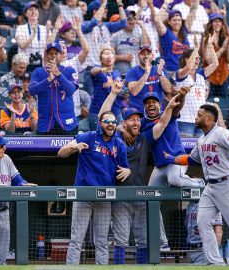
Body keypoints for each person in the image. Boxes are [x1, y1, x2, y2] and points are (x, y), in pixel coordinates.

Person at [163, 103, 229, 265]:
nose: (196, 117)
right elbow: (191, 159)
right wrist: (170, 159)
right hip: (211, 186)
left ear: (209, 118)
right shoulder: (201, 139)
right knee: (203, 221)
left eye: (199, 115)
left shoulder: (221, 132)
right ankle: (216, 263)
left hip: (228, 183)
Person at [98, 79, 182, 263]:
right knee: (120, 240)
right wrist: (113, 95)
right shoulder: (114, 138)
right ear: (124, 122)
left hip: (140, 195)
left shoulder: (144, 138)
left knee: (143, 241)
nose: (136, 122)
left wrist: (168, 108)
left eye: (138, 119)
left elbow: (162, 124)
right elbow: (103, 117)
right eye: (131, 119)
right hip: (121, 196)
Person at [57, 107, 130, 265]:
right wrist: (73, 148)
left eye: (113, 121)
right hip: (84, 195)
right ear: (100, 123)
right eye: (107, 121)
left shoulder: (120, 144)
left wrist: (128, 170)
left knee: (102, 242)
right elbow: (61, 153)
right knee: (77, 240)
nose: (110, 124)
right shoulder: (89, 137)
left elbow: (124, 168)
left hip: (104, 197)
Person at [0, 135, 37, 265]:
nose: (4, 148)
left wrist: (23, 183)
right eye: (1, 146)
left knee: (3, 249)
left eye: (4, 145)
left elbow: (16, 178)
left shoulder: (7, 159)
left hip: (3, 210)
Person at [29, 42, 78, 135]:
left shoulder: (69, 71)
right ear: (46, 55)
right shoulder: (38, 72)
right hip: (46, 123)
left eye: (56, 53)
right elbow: (32, 91)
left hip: (67, 122)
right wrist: (48, 80)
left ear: (61, 55)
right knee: (45, 149)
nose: (53, 56)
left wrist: (58, 74)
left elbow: (71, 90)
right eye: (50, 53)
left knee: (70, 149)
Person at [175, 34, 219, 137]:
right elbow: (188, 67)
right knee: (185, 151)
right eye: (195, 58)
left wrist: (210, 45)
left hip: (201, 120)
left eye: (198, 58)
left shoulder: (200, 75)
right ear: (186, 59)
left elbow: (215, 64)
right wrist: (196, 48)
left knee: (201, 150)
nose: (197, 60)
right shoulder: (181, 74)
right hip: (185, 121)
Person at [125, 45, 171, 113]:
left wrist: (160, 74)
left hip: (155, 112)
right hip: (137, 113)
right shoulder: (132, 71)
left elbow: (168, 89)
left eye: (148, 54)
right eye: (143, 54)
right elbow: (134, 92)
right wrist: (146, 73)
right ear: (138, 56)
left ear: (152, 55)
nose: (146, 56)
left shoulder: (159, 69)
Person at [148, 1, 189, 75]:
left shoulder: (184, 32)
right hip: (169, 71)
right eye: (174, 20)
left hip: (184, 70)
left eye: (179, 20)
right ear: (169, 22)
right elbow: (157, 20)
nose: (177, 22)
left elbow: (193, 10)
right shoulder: (165, 32)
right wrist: (166, 3)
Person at [89, 46, 123, 131]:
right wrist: (101, 70)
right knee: (97, 135)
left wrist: (125, 93)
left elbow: (121, 92)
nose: (108, 56)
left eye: (110, 54)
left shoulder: (117, 73)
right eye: (105, 54)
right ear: (101, 59)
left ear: (114, 58)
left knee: (120, 134)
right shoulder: (98, 70)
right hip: (98, 110)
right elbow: (93, 71)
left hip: (115, 110)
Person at [200, 13, 229, 98]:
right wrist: (222, 48)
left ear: (222, 24)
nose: (217, 24)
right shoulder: (206, 39)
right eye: (215, 21)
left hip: (223, 76)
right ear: (211, 24)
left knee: (224, 102)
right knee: (208, 102)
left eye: (219, 21)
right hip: (209, 76)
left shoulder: (225, 38)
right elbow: (209, 61)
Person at [110, 10, 151, 77]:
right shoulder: (116, 35)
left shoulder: (140, 33)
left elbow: (147, 46)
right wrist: (122, 57)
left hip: (138, 73)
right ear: (123, 20)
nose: (132, 21)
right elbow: (109, 56)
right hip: (122, 74)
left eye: (134, 18)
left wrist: (143, 28)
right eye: (129, 19)